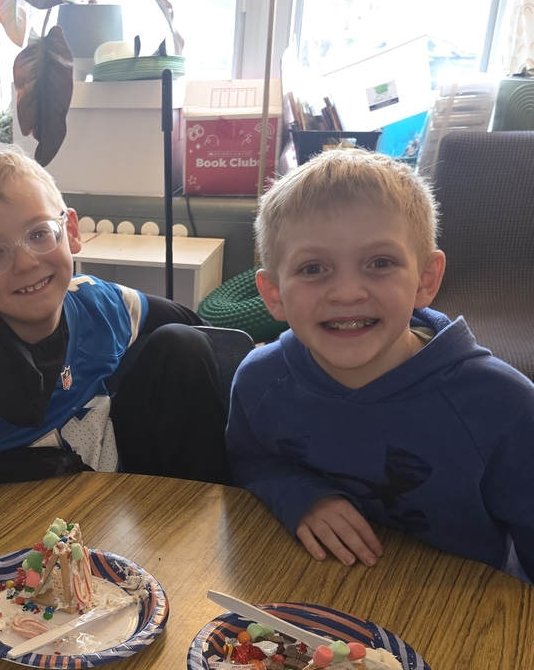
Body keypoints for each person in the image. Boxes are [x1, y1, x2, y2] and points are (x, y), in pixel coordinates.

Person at [227, 147, 534, 584]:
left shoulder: (503, 405)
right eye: (314, 268)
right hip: (313, 595)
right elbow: (249, 459)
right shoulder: (260, 380)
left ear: (426, 279)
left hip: (463, 611)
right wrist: (302, 495)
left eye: (380, 263)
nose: (348, 292)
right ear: (273, 293)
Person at [0, 144, 231, 487]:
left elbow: (179, 318)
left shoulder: (97, 302)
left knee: (185, 345)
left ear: (69, 231)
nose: (26, 263)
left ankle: (210, 519)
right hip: (33, 525)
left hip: (124, 494)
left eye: (39, 234)